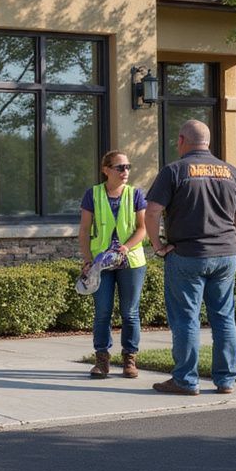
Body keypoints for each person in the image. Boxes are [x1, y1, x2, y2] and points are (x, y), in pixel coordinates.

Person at [144, 119, 236, 396]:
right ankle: (226, 380)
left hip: (187, 255)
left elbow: (152, 211)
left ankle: (185, 381)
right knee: (224, 318)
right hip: (225, 255)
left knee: (186, 320)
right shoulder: (231, 172)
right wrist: (231, 242)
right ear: (208, 142)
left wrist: (157, 245)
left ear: (181, 140)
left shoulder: (174, 170)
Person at [78, 150, 147, 379]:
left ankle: (130, 359)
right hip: (101, 263)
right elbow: (85, 230)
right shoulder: (93, 194)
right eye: (120, 167)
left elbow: (142, 228)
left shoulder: (135, 194)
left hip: (131, 262)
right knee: (103, 312)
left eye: (128, 166)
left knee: (130, 313)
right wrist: (87, 260)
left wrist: (126, 247)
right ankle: (102, 360)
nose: (125, 171)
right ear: (106, 170)